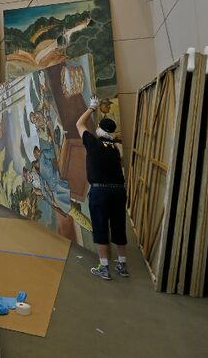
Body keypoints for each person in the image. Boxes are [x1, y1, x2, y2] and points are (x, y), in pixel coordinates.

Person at [76, 95, 128, 280]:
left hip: (100, 191)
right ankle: (122, 264)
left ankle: (104, 268)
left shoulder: (93, 143)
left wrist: (91, 108)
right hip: (119, 190)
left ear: (99, 130)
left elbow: (79, 124)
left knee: (100, 227)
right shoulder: (116, 148)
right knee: (119, 225)